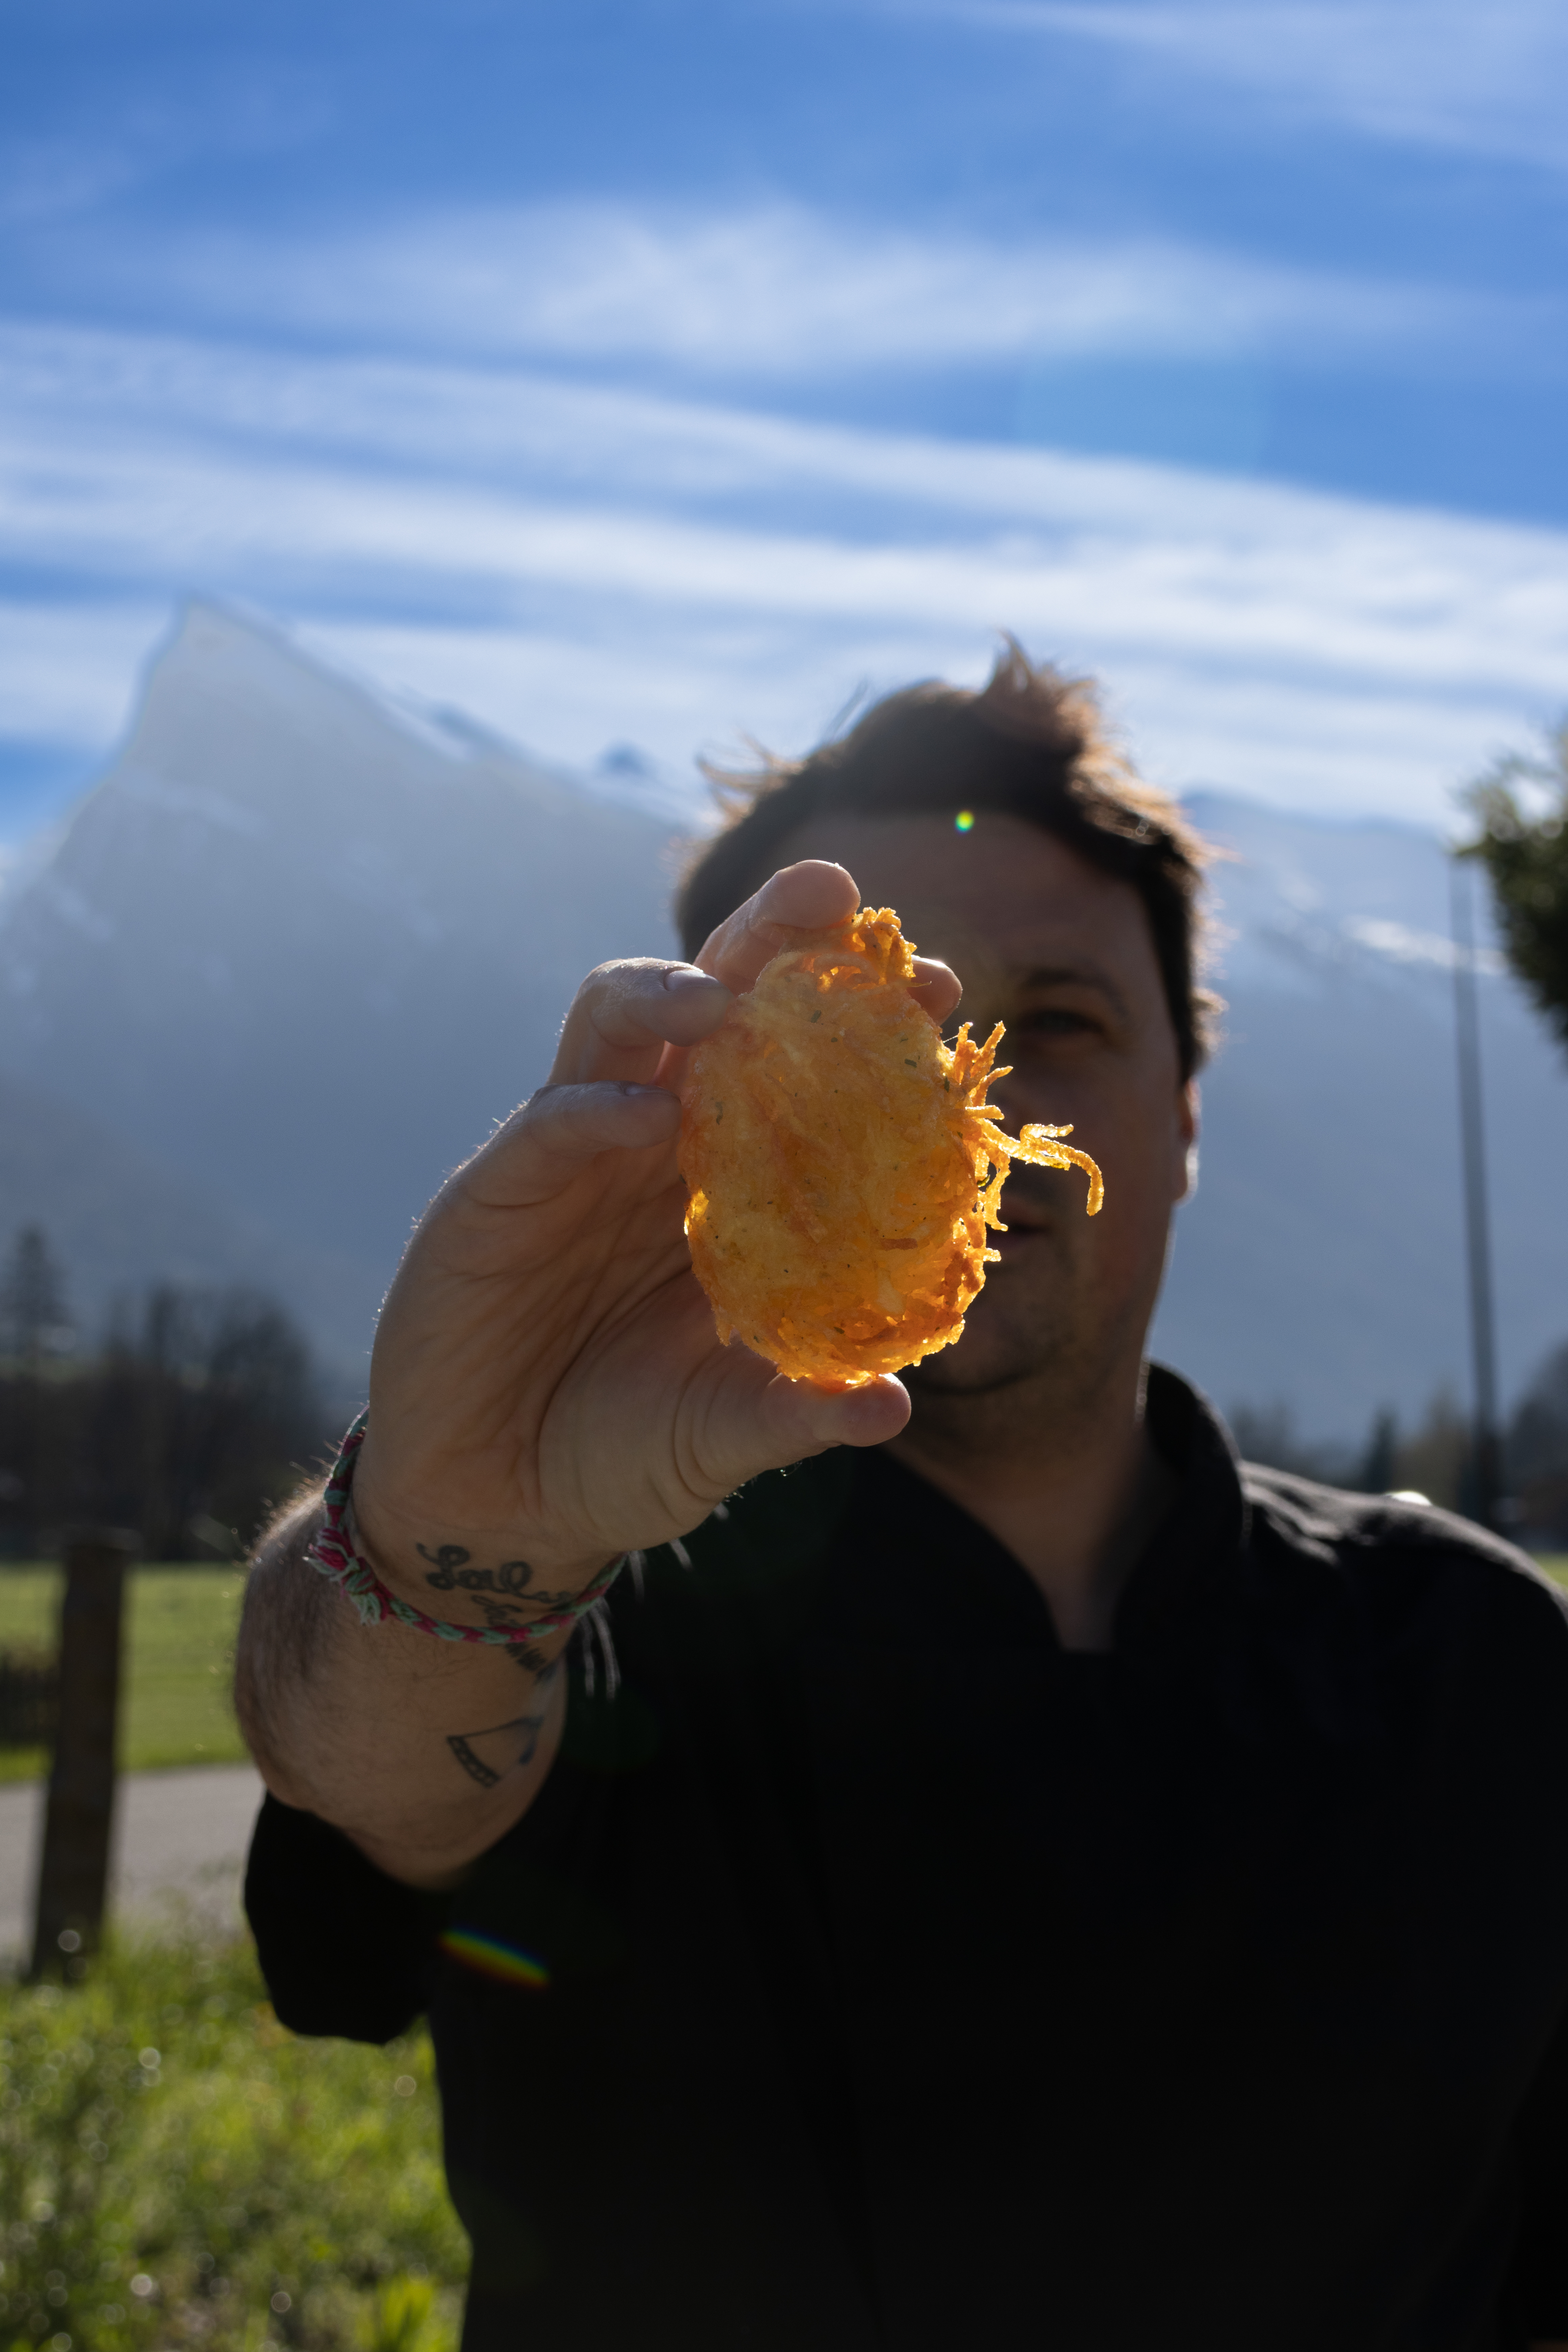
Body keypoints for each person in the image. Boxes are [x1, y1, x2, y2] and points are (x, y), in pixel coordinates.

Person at [237, 647, 1568, 2352]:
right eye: (878, 1031)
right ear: (695, 1127)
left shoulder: (1467, 1665)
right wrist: (451, 1523)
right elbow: (369, 1779)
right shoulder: (593, 1612)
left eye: (1063, 1024)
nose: (976, 1109)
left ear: (1181, 1110)